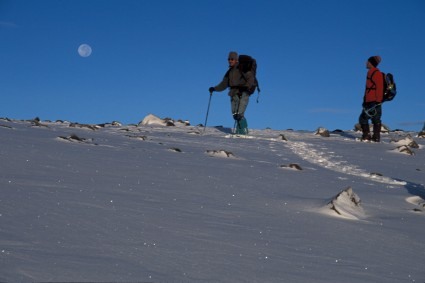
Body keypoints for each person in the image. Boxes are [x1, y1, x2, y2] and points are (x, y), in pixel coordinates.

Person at [209, 51, 255, 134]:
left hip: (243, 93)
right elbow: (224, 84)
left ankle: (243, 131)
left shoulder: (242, 68)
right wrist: (214, 89)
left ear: (236, 60)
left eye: (232, 59)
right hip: (233, 94)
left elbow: (251, 78)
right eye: (229, 59)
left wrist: (245, 88)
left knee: (239, 114)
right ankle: (239, 131)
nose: (230, 61)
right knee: (235, 114)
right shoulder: (229, 72)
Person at [358, 55, 384, 142]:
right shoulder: (371, 72)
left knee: (363, 118)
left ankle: (367, 136)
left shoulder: (376, 73)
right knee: (375, 119)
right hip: (371, 100)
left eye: (368, 62)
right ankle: (375, 137)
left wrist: (378, 100)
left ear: (371, 63)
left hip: (374, 101)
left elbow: (379, 87)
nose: (366, 63)